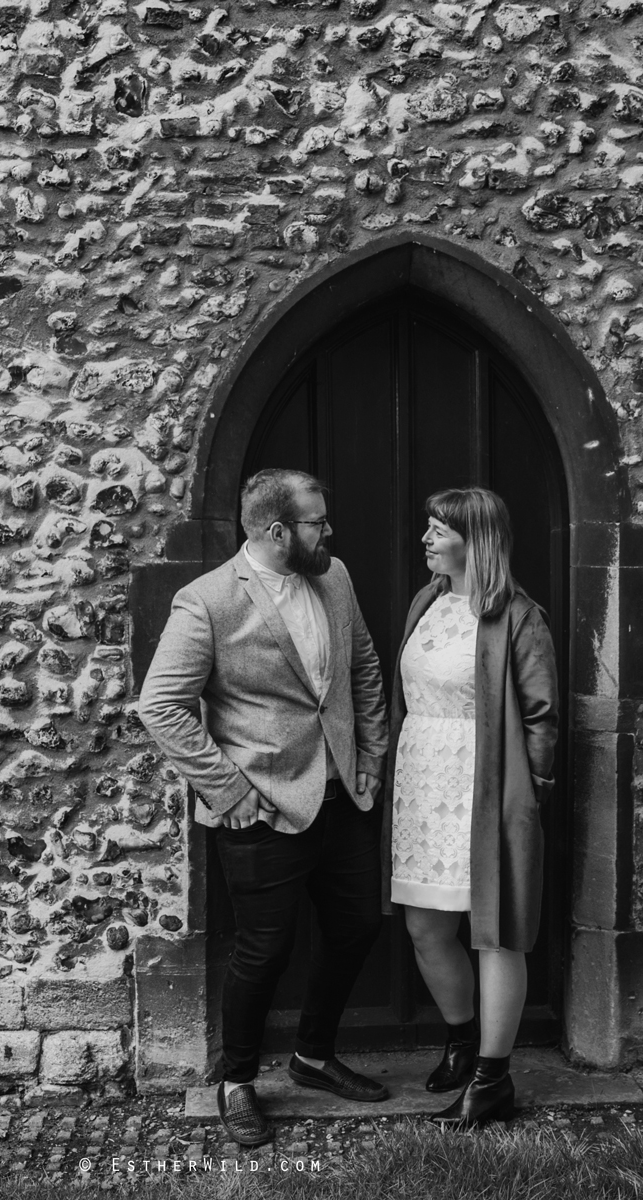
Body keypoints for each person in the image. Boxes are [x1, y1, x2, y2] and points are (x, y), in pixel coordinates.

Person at [137, 468, 391, 1147]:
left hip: (342, 796)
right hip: (260, 811)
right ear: (278, 531)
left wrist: (370, 756)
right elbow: (160, 705)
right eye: (317, 521)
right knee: (264, 950)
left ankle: (313, 1056)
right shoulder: (208, 600)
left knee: (360, 924)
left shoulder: (334, 578)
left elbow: (364, 665)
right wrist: (229, 791)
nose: (329, 531)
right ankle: (238, 1080)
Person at [384, 486, 559, 1128]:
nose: (426, 540)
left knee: (495, 930)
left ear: (474, 540)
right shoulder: (425, 602)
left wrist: (527, 793)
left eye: (438, 530)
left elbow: (541, 716)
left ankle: (492, 1078)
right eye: (428, 528)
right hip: (422, 780)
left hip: (485, 783)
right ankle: (461, 1041)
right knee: (426, 928)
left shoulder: (518, 616)